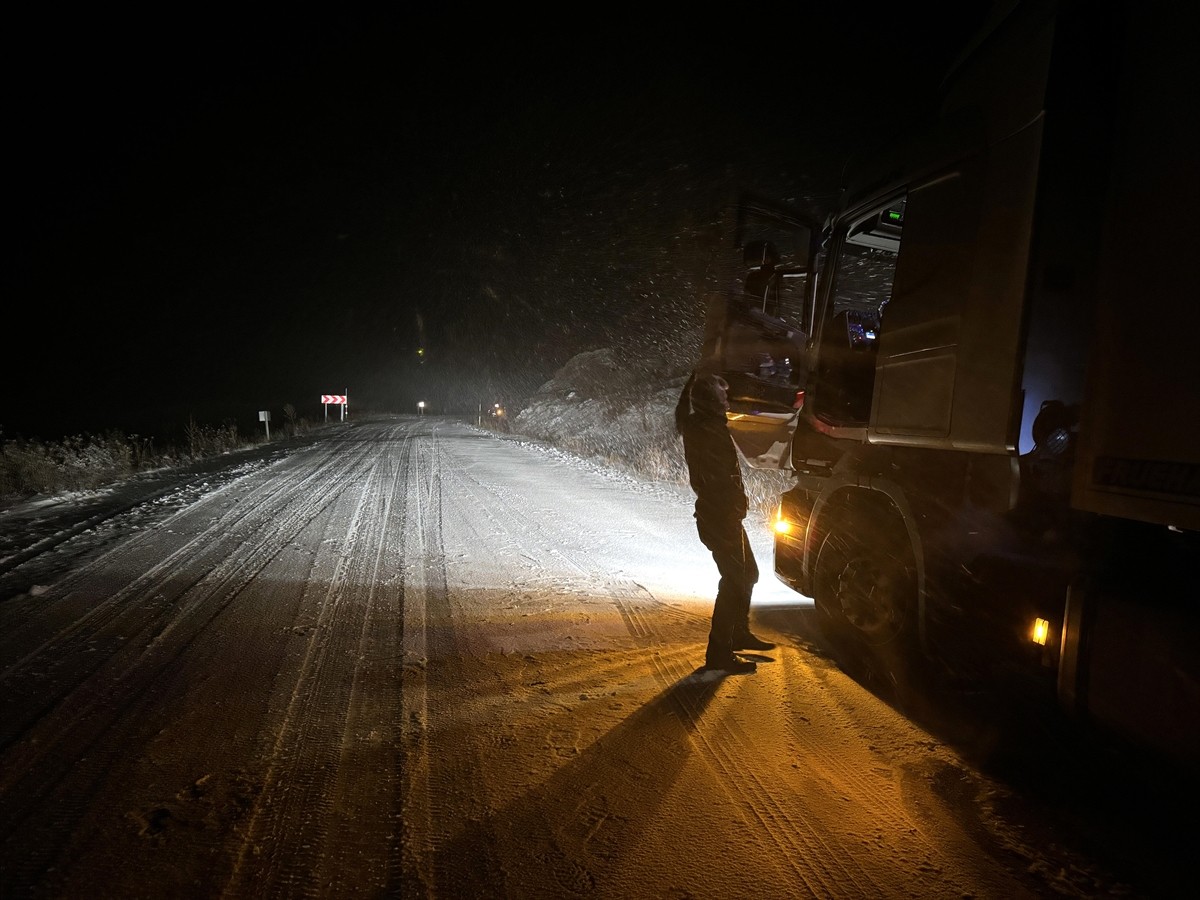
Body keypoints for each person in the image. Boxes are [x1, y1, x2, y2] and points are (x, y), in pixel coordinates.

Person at [674, 370, 776, 673]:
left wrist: (692, 380)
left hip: (721, 515)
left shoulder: (698, 424)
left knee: (748, 574)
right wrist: (735, 507)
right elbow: (721, 479)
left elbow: (681, 413)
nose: (727, 400)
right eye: (722, 395)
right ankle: (719, 653)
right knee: (734, 580)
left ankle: (738, 633)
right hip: (720, 516)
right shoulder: (708, 430)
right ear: (709, 401)